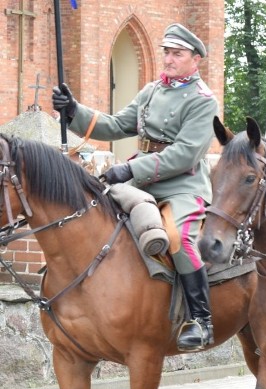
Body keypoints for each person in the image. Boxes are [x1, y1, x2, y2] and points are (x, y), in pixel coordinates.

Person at [51, 23, 218, 352]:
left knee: (178, 237)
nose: (168, 59)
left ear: (195, 59)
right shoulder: (152, 90)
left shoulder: (203, 101)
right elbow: (115, 125)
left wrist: (129, 167)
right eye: (167, 52)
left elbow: (184, 155)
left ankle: (201, 319)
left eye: (177, 54)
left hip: (181, 186)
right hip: (139, 181)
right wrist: (74, 111)